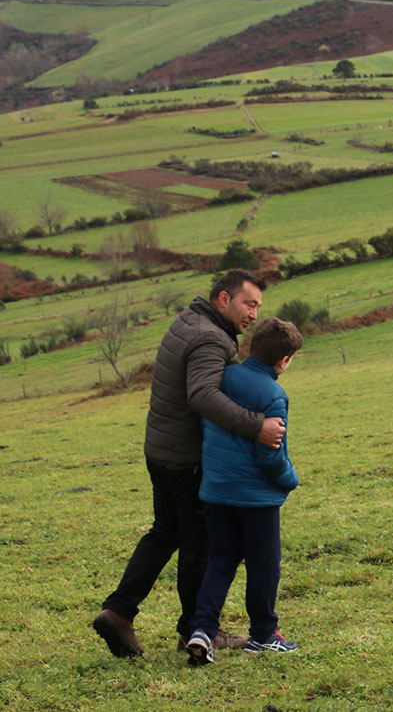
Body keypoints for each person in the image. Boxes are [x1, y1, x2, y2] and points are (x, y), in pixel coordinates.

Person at [92, 269, 285, 658]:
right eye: (249, 304)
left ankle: (118, 610)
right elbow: (202, 396)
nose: (254, 314)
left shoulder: (188, 321)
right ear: (224, 299)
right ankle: (196, 630)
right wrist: (256, 427)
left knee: (165, 533)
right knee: (203, 546)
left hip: (161, 451)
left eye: (258, 306)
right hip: (187, 460)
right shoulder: (210, 337)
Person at [185, 317, 304, 666]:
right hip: (257, 498)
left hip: (216, 492)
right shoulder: (274, 394)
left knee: (221, 560)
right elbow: (270, 454)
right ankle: (264, 636)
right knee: (264, 565)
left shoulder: (222, 377)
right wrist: (290, 479)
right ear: (283, 361)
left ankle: (202, 629)